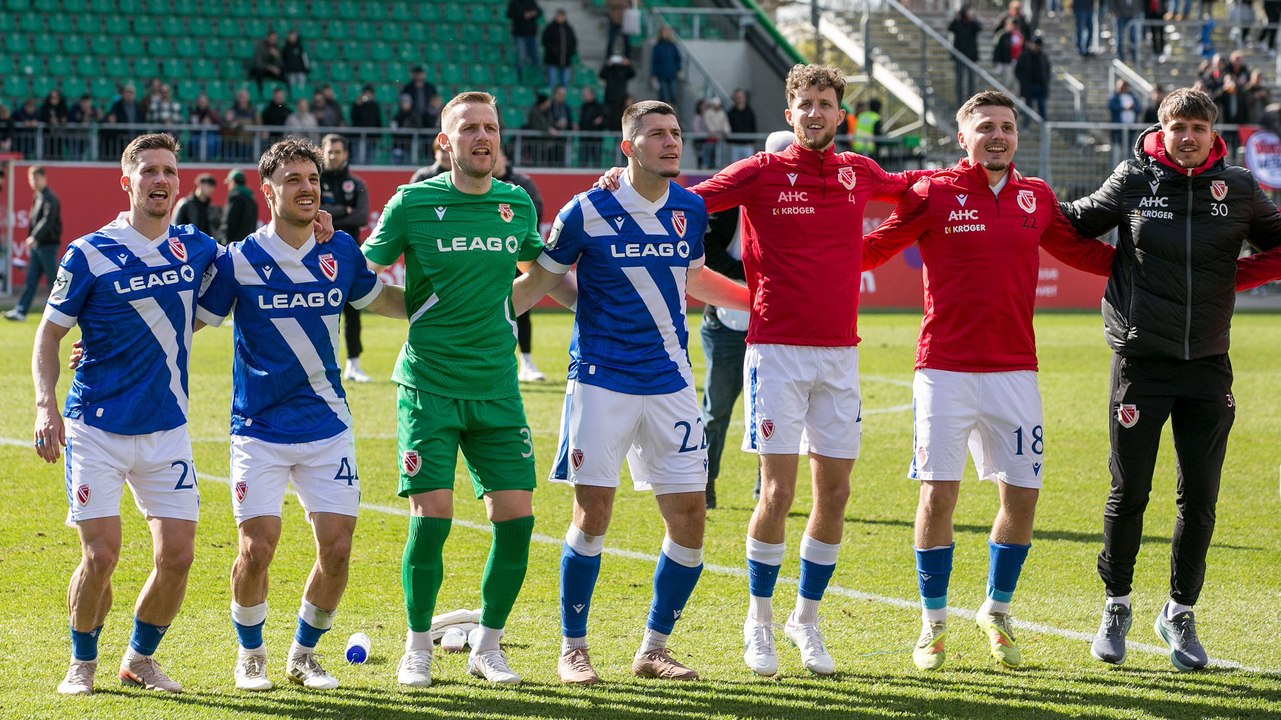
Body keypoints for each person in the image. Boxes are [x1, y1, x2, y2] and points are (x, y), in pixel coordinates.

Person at [600, 64, 932, 677]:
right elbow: (684, 198)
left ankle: (806, 620)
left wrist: (941, 188)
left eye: (826, 104)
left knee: (836, 493)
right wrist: (625, 183)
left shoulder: (859, 172)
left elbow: (911, 189)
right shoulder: (760, 173)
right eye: (804, 104)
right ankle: (759, 622)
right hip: (775, 350)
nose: (815, 113)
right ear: (790, 113)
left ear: (840, 113)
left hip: (841, 353)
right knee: (777, 491)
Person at [861, 90, 1116, 671]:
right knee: (939, 494)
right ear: (963, 137)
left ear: (1017, 136)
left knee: (1022, 496)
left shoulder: (1037, 198)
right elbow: (874, 249)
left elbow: (1082, 254)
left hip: (1015, 371)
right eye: (985, 127)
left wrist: (1156, 266)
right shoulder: (934, 193)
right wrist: (808, 259)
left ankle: (997, 612)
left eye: (1006, 127)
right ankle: (932, 624)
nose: (997, 136)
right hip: (943, 369)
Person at [511, 100, 749, 685]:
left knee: (691, 517)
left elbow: (694, 278)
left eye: (676, 132)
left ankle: (654, 648)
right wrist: (476, 320)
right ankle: (573, 647)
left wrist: (754, 301)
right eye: (657, 134)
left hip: (671, 383)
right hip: (600, 381)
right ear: (628, 146)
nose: (671, 142)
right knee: (593, 514)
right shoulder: (585, 210)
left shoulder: (691, 209)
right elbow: (541, 281)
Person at [1059, 87, 1281, 671]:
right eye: (1177, 125)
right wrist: (1025, 201)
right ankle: (1116, 605)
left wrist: (1232, 280)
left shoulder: (1238, 188)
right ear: (1160, 128)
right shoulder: (1133, 178)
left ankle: (1179, 613)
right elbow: (1074, 224)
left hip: (1209, 365)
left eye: (1197, 127)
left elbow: (1279, 242)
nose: (1187, 135)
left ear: (1214, 134)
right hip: (1141, 362)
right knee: (1129, 491)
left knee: (1200, 499)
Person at [195, 137, 405, 692]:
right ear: (268, 191)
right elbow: (190, 322)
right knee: (256, 547)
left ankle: (304, 654)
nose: (307, 187)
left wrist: (456, 308)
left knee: (337, 550)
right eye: (293, 180)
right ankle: (252, 654)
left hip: (327, 426)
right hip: (258, 429)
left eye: (311, 178)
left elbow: (382, 301)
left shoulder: (340, 253)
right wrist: (102, 339)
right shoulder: (238, 259)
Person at [362, 91, 545, 688]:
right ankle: (416, 647)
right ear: (446, 143)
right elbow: (362, 276)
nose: (482, 138)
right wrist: (410, 310)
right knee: (431, 518)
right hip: (429, 388)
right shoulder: (413, 203)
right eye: (469, 129)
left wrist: (505, 308)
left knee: (516, 520)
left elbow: (542, 270)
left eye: (490, 127)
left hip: (496, 388)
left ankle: (487, 647)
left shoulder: (515, 205)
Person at [30, 133, 222, 696]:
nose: (160, 180)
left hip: (167, 429)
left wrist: (322, 228)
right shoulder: (88, 252)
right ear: (127, 180)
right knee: (101, 554)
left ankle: (139, 659)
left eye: (169, 171)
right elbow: (48, 334)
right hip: (96, 428)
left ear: (178, 182)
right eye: (149, 172)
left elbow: (261, 257)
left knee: (179, 557)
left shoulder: (198, 247)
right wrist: (46, 404)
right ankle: (82, 662)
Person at [699, 131, 794, 510]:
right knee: (716, 409)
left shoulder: (803, 203)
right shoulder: (732, 200)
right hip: (727, 322)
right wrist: (750, 272)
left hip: (777, 324)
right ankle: (704, 485)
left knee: (772, 413)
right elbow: (704, 250)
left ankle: (766, 492)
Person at [318, 134, 373, 383]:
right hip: (318, 254)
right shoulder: (315, 181)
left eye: (338, 151)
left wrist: (333, 213)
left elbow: (361, 216)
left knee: (353, 310)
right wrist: (344, 210)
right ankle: (321, 365)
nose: (333, 156)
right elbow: (313, 213)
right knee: (320, 309)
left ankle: (354, 364)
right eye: (329, 152)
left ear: (345, 154)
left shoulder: (356, 183)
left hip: (349, 255)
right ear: (323, 153)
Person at [493, 147, 546, 382]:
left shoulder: (521, 184)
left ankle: (526, 361)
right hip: (489, 257)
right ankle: (494, 363)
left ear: (504, 157)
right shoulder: (478, 184)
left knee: (522, 310)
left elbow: (535, 211)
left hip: (516, 254)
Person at [6, 166, 62, 321]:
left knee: (54, 282)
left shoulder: (49, 197)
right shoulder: (38, 196)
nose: (33, 181)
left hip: (48, 246)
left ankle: (60, 313)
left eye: (36, 178)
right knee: (31, 281)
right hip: (39, 246)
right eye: (31, 178)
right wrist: (32, 238)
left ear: (44, 178)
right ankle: (20, 311)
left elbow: (48, 220)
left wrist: (34, 236)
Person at [948, 6, 983, 105]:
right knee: (959, 81)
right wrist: (956, 17)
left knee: (971, 81)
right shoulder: (957, 23)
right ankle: (959, 102)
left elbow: (980, 28)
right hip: (959, 56)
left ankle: (971, 102)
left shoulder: (972, 24)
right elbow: (950, 28)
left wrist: (974, 17)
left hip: (970, 57)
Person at [1014, 35, 1051, 118]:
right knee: (1028, 107)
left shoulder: (1043, 57)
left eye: (1038, 45)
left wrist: (1046, 81)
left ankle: (1043, 127)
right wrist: (1023, 81)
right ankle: (1026, 126)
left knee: (1042, 107)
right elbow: (1017, 71)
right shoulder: (1024, 56)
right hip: (1029, 86)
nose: (1036, 47)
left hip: (1040, 86)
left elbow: (1047, 71)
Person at [173, 173, 220, 237]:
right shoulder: (185, 204)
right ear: (200, 185)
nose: (211, 189)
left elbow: (215, 229)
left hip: (206, 245)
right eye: (209, 185)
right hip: (187, 243)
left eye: (213, 187)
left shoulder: (211, 208)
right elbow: (175, 226)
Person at [507, 0, 544, 82]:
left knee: (535, 57)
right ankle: (520, 78)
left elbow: (539, 12)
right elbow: (509, 14)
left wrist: (534, 13)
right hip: (519, 34)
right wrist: (523, 15)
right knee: (521, 57)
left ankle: (535, 78)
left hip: (532, 34)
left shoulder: (531, 2)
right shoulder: (514, 2)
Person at [542, 9, 577, 90]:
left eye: (561, 16)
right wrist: (553, 51)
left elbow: (573, 42)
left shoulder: (568, 28)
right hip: (552, 61)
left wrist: (570, 53)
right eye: (558, 16)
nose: (559, 18)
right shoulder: (550, 28)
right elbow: (545, 42)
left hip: (566, 61)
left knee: (565, 85)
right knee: (552, 83)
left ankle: (563, 101)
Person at [222, 169, 260, 245]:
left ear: (233, 182)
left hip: (234, 245)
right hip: (247, 245)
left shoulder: (235, 197)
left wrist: (224, 239)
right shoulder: (251, 200)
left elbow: (229, 221)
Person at [350, 84, 383, 165]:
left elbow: (378, 120)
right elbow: (352, 117)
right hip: (358, 137)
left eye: (370, 93)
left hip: (371, 137)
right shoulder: (357, 105)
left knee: (370, 160)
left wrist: (378, 135)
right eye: (366, 93)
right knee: (357, 160)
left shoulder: (375, 106)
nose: (368, 95)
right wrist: (357, 105)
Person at [650, 25, 682, 106]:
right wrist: (654, 74)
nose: (665, 33)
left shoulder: (672, 46)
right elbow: (654, 61)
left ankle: (672, 112)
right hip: (661, 74)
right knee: (662, 95)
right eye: (664, 32)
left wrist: (677, 68)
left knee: (673, 95)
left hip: (672, 73)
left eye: (667, 32)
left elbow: (677, 58)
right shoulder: (657, 46)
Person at [1108, 80, 1141, 152]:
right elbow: (1111, 106)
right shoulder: (1114, 97)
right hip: (1118, 128)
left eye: (1124, 87)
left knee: (1129, 147)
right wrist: (1124, 107)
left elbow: (1138, 109)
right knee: (1117, 147)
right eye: (1120, 87)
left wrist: (1132, 107)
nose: (1122, 89)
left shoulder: (1132, 97)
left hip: (1130, 128)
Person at [727, 88, 758, 161]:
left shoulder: (750, 112)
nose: (739, 100)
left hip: (747, 145)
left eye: (741, 97)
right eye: (737, 98)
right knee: (734, 167)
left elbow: (753, 126)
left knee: (749, 167)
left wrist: (753, 141)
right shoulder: (731, 113)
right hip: (735, 145)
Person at [992, 16, 1024, 87]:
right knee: (1004, 83)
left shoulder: (1018, 35)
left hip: (1014, 62)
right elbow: (996, 48)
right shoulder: (1002, 34)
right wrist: (997, 62)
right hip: (1004, 62)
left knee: (1012, 83)